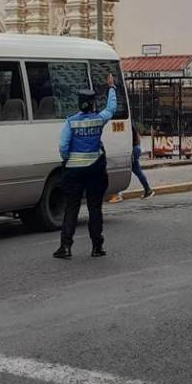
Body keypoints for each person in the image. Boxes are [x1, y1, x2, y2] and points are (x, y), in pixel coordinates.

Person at [53, 73, 117, 260]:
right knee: (94, 208)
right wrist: (111, 88)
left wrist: (67, 159)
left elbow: (63, 146)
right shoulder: (99, 119)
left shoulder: (71, 122)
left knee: (71, 207)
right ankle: (97, 246)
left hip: (73, 171)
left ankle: (66, 247)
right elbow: (111, 108)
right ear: (93, 104)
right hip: (95, 170)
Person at [109, 127, 155, 203]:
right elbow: (137, 136)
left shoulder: (125, 126)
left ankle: (118, 194)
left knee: (127, 171)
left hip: (132, 149)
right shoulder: (130, 126)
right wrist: (137, 148)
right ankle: (148, 190)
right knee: (135, 171)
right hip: (135, 148)